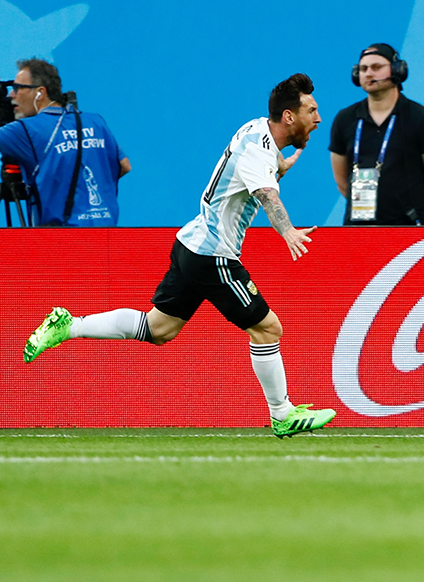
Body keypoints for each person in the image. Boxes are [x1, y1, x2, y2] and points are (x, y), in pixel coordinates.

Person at [22, 73, 336, 438]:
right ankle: (282, 413)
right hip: (213, 254)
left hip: (192, 245)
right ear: (289, 116)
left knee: (158, 329)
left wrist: (279, 167)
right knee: (267, 329)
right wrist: (288, 231)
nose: (318, 118)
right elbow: (267, 196)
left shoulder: (255, 129)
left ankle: (68, 325)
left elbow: (259, 168)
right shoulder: (259, 151)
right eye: (312, 110)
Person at [329, 43, 424, 226]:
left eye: (376, 67)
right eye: (363, 69)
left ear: (397, 70)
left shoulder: (421, 118)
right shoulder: (345, 119)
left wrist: (413, 215)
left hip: (406, 230)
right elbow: (341, 181)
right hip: (356, 230)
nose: (369, 73)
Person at [0, 58, 130, 226]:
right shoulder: (95, 122)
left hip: (63, 237)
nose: (11, 95)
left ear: (40, 92)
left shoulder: (25, 130)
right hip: (107, 233)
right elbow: (124, 165)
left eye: (17, 88)